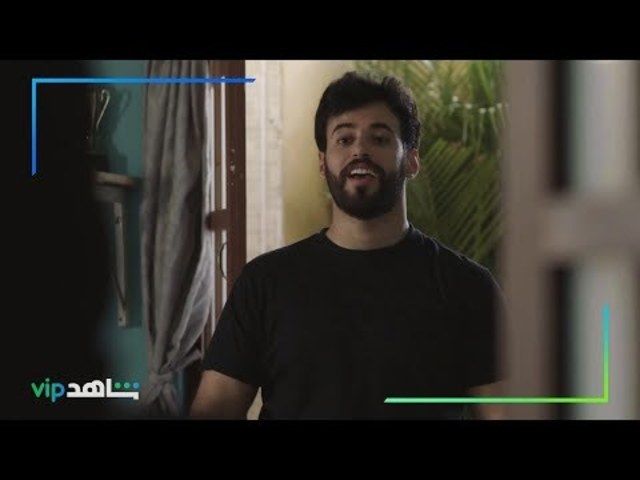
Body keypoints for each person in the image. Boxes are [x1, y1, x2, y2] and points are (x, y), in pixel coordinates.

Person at [190, 71, 504, 419]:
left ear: (411, 160)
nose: (360, 150)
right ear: (322, 162)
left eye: (379, 138)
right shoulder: (264, 282)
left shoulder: (467, 287)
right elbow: (214, 409)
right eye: (344, 139)